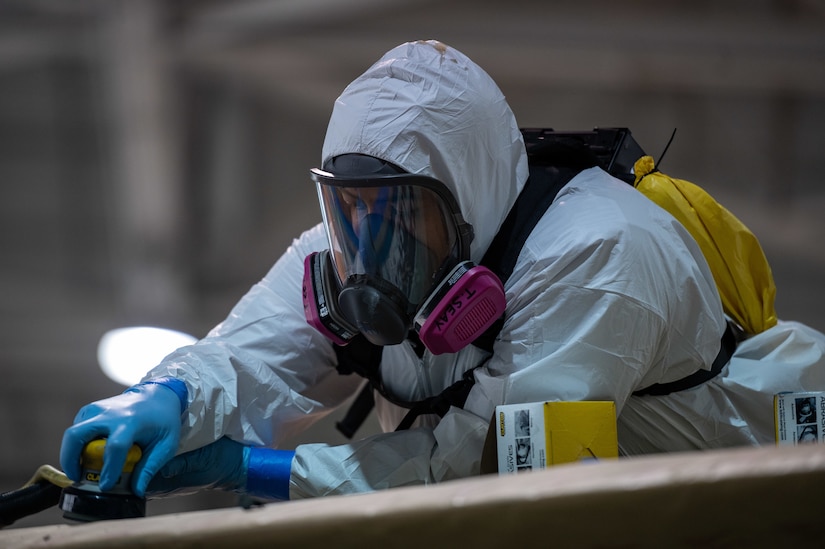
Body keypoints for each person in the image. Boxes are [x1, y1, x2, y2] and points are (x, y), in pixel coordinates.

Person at [61, 40, 825, 502]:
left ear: (468, 201)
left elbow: (475, 471)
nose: (367, 252)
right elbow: (246, 354)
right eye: (348, 208)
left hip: (775, 491)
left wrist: (248, 466)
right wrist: (166, 396)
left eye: (398, 216)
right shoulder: (341, 251)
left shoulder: (596, 256)